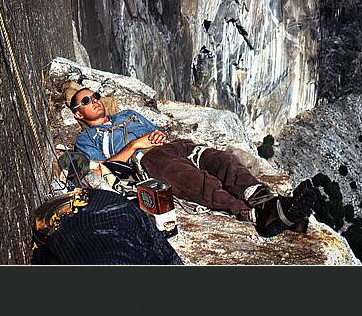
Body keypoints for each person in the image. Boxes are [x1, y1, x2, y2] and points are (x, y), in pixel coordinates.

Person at [68, 87, 316, 238]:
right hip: (146, 160)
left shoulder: (128, 115)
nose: (95, 100)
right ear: (79, 114)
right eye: (86, 101)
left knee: (223, 161)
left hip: (174, 146)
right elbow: (101, 169)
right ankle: (258, 214)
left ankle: (268, 202)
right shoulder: (86, 140)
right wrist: (134, 146)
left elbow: (159, 132)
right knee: (194, 179)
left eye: (96, 96)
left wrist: (157, 135)